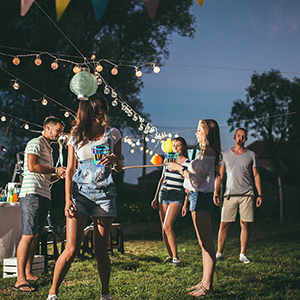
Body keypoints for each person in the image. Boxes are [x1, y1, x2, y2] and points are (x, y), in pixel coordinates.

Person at [46, 93, 123, 300]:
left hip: (104, 196)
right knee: (71, 248)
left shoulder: (113, 134)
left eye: (103, 109)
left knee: (101, 250)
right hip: (79, 196)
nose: (100, 113)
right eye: (96, 109)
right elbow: (70, 170)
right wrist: (67, 199)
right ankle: (52, 293)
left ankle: (105, 294)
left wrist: (114, 159)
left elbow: (119, 167)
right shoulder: (75, 136)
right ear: (87, 112)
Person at [167, 119, 222, 297]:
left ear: (208, 133)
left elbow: (196, 180)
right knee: (202, 242)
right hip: (195, 197)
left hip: (201, 198)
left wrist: (179, 168)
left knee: (207, 243)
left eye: (199, 130)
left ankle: (208, 286)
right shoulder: (203, 152)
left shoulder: (208, 152)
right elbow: (196, 175)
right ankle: (204, 282)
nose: (196, 133)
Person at [14, 116, 66, 292]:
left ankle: (28, 272)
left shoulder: (49, 150)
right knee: (28, 235)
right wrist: (54, 169)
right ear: (48, 128)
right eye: (57, 130)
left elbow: (48, 177)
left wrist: (58, 174)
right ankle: (19, 278)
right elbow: (32, 166)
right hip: (31, 194)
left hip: (43, 194)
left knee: (36, 235)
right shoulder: (35, 142)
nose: (59, 134)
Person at [213, 128, 262, 264]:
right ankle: (219, 253)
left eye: (244, 136)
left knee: (245, 224)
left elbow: (256, 175)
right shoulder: (225, 155)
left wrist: (259, 194)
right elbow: (220, 175)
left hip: (247, 194)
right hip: (230, 194)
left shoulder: (252, 155)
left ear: (246, 139)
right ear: (234, 136)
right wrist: (216, 192)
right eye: (239, 136)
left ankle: (242, 254)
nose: (241, 138)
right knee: (224, 224)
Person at [151, 137, 190, 266]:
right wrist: (156, 197)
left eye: (179, 145)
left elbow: (187, 184)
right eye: (174, 145)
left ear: (184, 147)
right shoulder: (168, 159)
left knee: (168, 226)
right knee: (164, 229)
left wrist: (185, 203)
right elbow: (162, 178)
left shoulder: (187, 163)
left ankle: (176, 258)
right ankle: (169, 255)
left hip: (176, 194)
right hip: (164, 193)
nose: (176, 148)